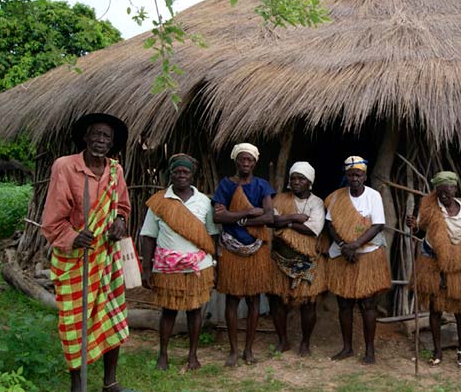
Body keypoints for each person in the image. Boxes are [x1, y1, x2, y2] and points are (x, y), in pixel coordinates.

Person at [41, 113, 144, 392]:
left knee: (112, 315)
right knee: (76, 321)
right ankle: (77, 388)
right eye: (96, 135)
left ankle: (110, 382)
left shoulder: (115, 170)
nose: (101, 141)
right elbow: (52, 220)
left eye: (107, 138)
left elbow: (123, 207)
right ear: (85, 137)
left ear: (112, 144)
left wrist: (121, 223)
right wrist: (73, 237)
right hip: (76, 258)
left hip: (107, 256)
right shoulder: (65, 166)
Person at [140, 154, 217, 371]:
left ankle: (193, 356)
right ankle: (162, 355)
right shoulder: (159, 202)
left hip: (198, 267)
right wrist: (147, 268)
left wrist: (214, 264)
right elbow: (148, 236)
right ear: (170, 174)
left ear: (192, 175)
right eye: (177, 172)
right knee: (169, 310)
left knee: (194, 310)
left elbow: (212, 235)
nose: (181, 175)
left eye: (186, 172)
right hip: (167, 267)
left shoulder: (203, 202)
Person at [405, 171, 461, 367]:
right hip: (432, 263)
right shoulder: (430, 209)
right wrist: (413, 226)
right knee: (435, 308)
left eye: (449, 191)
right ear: (436, 191)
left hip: (458, 265)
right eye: (441, 192)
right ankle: (437, 351)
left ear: (455, 189)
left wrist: (456, 257)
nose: (445, 195)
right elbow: (419, 232)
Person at [212, 143, 275, 366]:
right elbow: (218, 218)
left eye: (249, 160)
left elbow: (269, 218)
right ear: (236, 161)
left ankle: (248, 350)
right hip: (231, 248)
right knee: (232, 298)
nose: (245, 163)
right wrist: (248, 211)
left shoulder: (262, 186)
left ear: (254, 162)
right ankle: (233, 350)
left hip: (256, 249)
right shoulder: (226, 186)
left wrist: (234, 216)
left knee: (253, 299)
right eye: (242, 159)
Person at [325, 156, 391, 364]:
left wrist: (356, 245)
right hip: (343, 254)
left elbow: (377, 225)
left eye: (359, 174)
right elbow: (330, 225)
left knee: (368, 304)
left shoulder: (373, 196)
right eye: (351, 174)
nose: (355, 178)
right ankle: (347, 348)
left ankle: (370, 351)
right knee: (344, 303)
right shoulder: (336, 198)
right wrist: (345, 246)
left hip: (368, 254)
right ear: (346, 176)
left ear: (365, 176)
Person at [267, 162, 327, 356]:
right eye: (293, 178)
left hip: (308, 261)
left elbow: (314, 229)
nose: (296, 182)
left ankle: (305, 343)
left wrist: (286, 222)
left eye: (301, 178)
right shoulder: (279, 199)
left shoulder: (317, 202)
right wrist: (295, 217)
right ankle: (282, 341)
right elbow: (273, 221)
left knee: (308, 302)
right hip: (279, 258)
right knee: (277, 301)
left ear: (309, 182)